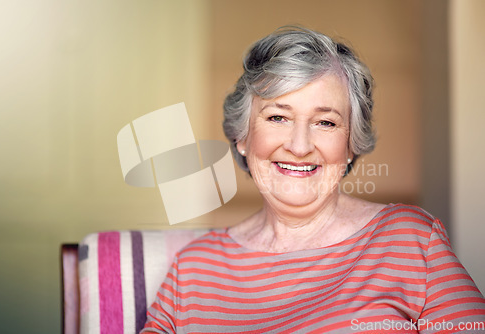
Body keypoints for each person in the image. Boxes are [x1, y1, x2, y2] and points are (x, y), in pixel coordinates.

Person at [141, 26, 485, 333]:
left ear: (351, 144)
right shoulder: (194, 270)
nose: (299, 146)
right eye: (278, 117)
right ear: (243, 137)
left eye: (326, 122)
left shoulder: (409, 241)